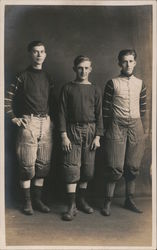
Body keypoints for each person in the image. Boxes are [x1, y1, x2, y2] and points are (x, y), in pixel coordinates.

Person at [5, 41, 54, 215]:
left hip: (46, 124)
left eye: (42, 51)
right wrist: (14, 118)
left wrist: (51, 122)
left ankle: (37, 200)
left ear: (45, 55)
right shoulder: (22, 76)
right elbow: (6, 100)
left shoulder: (48, 77)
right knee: (27, 165)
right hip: (29, 123)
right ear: (30, 54)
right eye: (35, 51)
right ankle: (27, 203)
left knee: (43, 165)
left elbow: (53, 102)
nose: (39, 55)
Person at [102, 49, 146, 216]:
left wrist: (144, 129)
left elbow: (143, 109)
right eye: (125, 61)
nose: (128, 64)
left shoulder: (140, 83)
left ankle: (129, 199)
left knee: (133, 165)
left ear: (135, 62)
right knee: (115, 166)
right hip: (116, 125)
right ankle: (107, 202)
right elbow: (105, 110)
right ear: (119, 63)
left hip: (136, 125)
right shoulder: (112, 83)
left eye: (131, 61)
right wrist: (106, 129)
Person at [59, 55, 103, 221]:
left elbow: (99, 115)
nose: (83, 71)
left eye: (86, 68)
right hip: (72, 130)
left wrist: (97, 136)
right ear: (74, 69)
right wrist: (64, 135)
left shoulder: (95, 89)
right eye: (80, 67)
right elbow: (61, 113)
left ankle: (81, 200)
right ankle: (71, 205)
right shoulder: (68, 88)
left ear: (90, 69)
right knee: (72, 167)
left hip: (91, 131)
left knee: (87, 169)